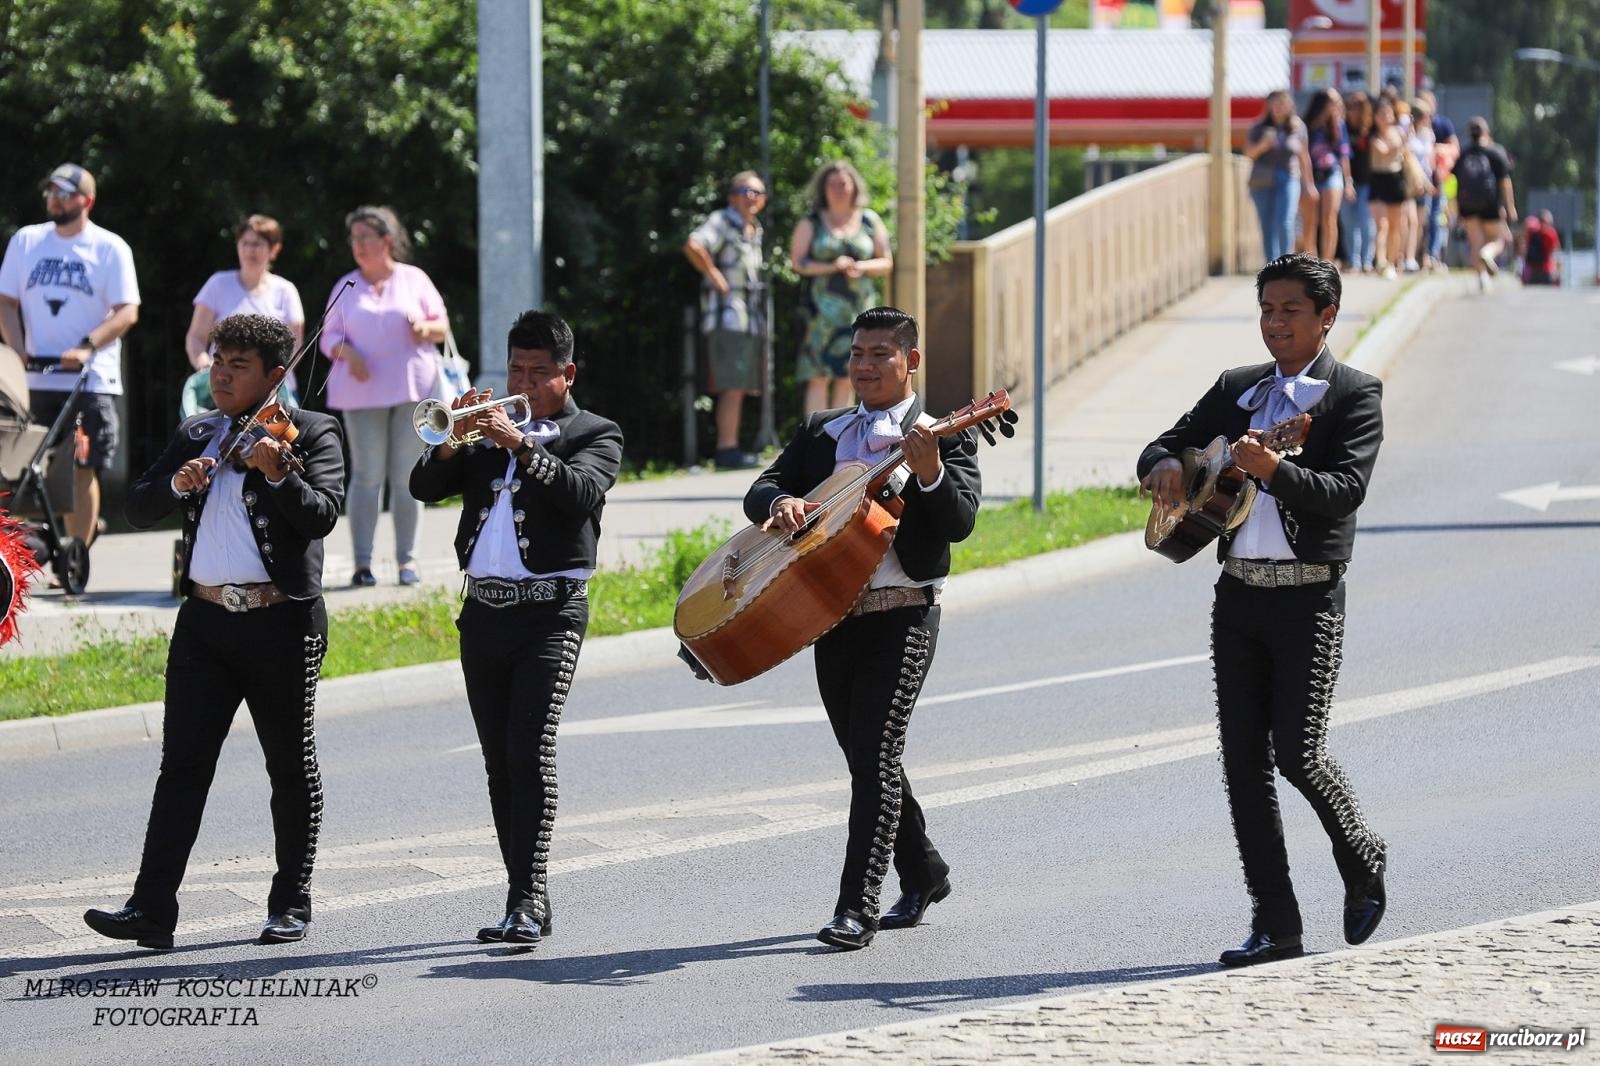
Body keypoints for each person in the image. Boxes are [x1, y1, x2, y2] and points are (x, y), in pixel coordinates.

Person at [1138, 254, 1386, 968]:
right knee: (1243, 762)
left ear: (1326, 317)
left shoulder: (1352, 395)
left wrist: (1276, 471)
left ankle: (1362, 852)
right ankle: (1275, 921)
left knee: (1299, 753)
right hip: (1238, 592)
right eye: (1267, 310)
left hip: (1311, 595)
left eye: (1290, 311)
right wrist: (1163, 465)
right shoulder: (1237, 390)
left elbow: (1343, 492)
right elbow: (1165, 443)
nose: (1275, 323)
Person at [82, 314, 346, 950]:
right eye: (217, 364)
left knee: (289, 764)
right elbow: (138, 504)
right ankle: (151, 908)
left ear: (276, 376)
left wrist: (280, 474)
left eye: (237, 367)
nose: (220, 376)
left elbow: (322, 517)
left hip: (280, 620)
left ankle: (290, 903)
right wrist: (177, 482)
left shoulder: (312, 431)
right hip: (203, 622)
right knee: (183, 766)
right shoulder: (199, 431)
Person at [745, 306, 980, 950]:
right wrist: (781, 502)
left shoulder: (944, 432)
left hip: (904, 612)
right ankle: (925, 869)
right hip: (827, 615)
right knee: (865, 756)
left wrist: (928, 470)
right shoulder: (824, 430)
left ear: (912, 361)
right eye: (858, 354)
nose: (866, 365)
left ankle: (858, 905)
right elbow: (761, 486)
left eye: (881, 353)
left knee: (876, 753)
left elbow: (958, 521)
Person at [409, 310, 622, 945]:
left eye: (537, 373)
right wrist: (453, 437)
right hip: (483, 612)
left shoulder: (595, 432)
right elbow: (425, 485)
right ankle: (522, 898)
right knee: (499, 759)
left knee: (529, 749)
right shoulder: (481, 434)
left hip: (551, 613)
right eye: (515, 370)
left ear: (567, 374)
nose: (523, 384)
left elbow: (581, 493)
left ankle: (528, 898)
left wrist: (521, 445)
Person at [0, 163, 140, 552]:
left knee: (82, 466)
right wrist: (16, 350)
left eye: (65, 193)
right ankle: (22, 555)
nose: (55, 200)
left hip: (89, 379)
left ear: (87, 201)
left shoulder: (110, 248)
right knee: (20, 470)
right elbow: (6, 302)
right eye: (51, 193)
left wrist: (86, 347)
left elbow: (127, 310)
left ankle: (77, 553)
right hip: (32, 381)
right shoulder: (26, 241)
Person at [320, 205, 450, 587]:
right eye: (354, 238)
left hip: (413, 389)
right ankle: (363, 564)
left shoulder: (414, 279)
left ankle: (407, 562)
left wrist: (424, 328)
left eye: (366, 237)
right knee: (366, 475)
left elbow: (442, 326)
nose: (358, 245)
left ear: (387, 241)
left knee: (407, 475)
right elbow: (326, 336)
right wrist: (350, 353)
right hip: (360, 394)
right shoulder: (346, 285)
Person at [790, 162, 894, 417]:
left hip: (858, 313)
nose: (838, 189)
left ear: (854, 187)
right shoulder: (812, 222)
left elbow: (887, 262)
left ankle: (839, 439)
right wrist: (830, 266)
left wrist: (861, 267)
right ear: (823, 189)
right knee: (817, 375)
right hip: (820, 314)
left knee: (849, 375)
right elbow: (798, 263)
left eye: (843, 184)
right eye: (832, 185)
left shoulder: (869, 220)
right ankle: (815, 440)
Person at [684, 170, 768, 470]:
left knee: (741, 385)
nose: (752, 197)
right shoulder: (722, 220)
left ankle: (732, 445)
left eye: (758, 192)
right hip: (727, 318)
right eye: (746, 191)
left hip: (748, 321)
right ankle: (726, 448)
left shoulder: (754, 229)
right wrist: (713, 274)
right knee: (732, 384)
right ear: (733, 195)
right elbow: (694, 244)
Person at [181, 215, 304, 417]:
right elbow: (195, 337)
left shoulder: (286, 290)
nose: (249, 250)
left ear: (274, 250)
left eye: (257, 244)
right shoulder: (217, 284)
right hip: (224, 389)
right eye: (244, 243)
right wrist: (204, 363)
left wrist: (268, 378)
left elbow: (295, 348)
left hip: (273, 393)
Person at [1244, 91, 1313, 264]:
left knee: (1285, 220)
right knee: (1267, 224)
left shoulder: (1298, 127)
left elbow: (1304, 157)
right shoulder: (1259, 127)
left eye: (1282, 103)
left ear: (1290, 105)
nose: (1279, 107)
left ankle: (1286, 261)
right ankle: (1271, 264)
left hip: (1288, 177)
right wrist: (1263, 145)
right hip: (1262, 180)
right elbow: (1249, 154)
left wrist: (1309, 184)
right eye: (1275, 103)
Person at [1455, 117, 1517, 293]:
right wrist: (1510, 206)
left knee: (1476, 242)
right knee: (1499, 239)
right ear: (1486, 132)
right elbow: (1505, 181)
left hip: (1468, 205)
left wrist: (1457, 208)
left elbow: (1456, 180)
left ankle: (1482, 278)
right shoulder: (1496, 152)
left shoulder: (1465, 153)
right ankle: (1488, 254)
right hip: (1491, 204)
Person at [1300, 88, 1351, 262]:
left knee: (1329, 218)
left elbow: (1344, 155)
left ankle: (1327, 262)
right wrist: (1306, 181)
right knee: (1310, 220)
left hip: (1332, 173)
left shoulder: (1338, 126)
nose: (1337, 105)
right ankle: (1311, 261)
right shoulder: (1306, 125)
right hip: (1310, 174)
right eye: (1333, 101)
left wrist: (1349, 182)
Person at [1366, 98, 1408, 279]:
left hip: (1395, 180)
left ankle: (1392, 261)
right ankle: (1381, 261)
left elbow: (1406, 157)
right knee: (1381, 224)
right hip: (1378, 180)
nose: (1384, 117)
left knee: (1395, 226)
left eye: (1388, 114)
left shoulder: (1398, 133)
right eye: (1381, 114)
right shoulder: (1373, 136)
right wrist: (1399, 143)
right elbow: (1383, 150)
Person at [1340, 92, 1377, 273]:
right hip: (1346, 182)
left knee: (1365, 222)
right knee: (1348, 222)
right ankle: (1354, 261)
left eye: (1356, 107)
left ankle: (1367, 260)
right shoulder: (1342, 128)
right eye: (1350, 107)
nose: (1352, 111)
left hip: (1367, 182)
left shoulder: (1370, 128)